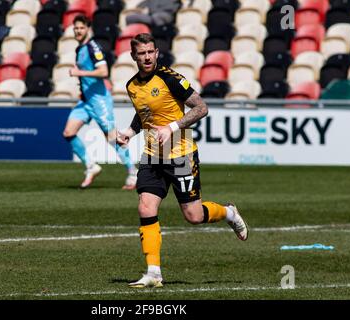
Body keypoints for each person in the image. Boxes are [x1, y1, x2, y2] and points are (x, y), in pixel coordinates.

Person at [116, 33, 249, 288]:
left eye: (150, 52)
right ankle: (153, 272)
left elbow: (201, 108)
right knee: (146, 207)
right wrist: (130, 133)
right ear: (133, 56)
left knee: (194, 216)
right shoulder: (132, 86)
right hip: (153, 156)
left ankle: (229, 213)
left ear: (156, 53)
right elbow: (143, 115)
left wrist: (172, 127)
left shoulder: (170, 78)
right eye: (141, 53)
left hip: (181, 155)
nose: (146, 57)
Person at [63, 15, 137, 189]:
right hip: (85, 101)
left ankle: (133, 173)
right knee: (68, 132)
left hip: (99, 101)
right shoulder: (79, 49)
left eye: (81, 28)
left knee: (111, 138)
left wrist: (79, 73)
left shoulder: (93, 47)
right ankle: (91, 166)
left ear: (88, 29)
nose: (78, 31)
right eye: (75, 28)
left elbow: (103, 71)